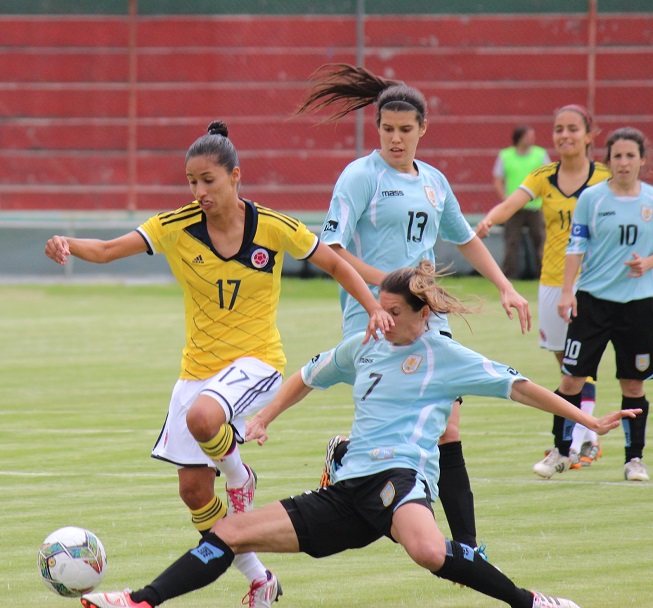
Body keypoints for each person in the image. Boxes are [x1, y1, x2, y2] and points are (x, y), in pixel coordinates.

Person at [79, 262, 642, 608]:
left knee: (426, 550)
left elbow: (518, 387)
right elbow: (305, 375)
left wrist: (586, 419)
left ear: (423, 314)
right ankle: (140, 600)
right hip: (346, 489)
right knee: (229, 531)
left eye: (393, 310)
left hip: (400, 477)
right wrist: (264, 418)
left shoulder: (444, 355)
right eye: (380, 309)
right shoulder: (366, 345)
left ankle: (528, 601)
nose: (383, 318)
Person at [45, 120, 393, 607]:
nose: (199, 191)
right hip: (198, 371)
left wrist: (375, 305)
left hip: (257, 361)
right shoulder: (176, 226)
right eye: (191, 181)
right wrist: (69, 243)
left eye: (208, 180)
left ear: (235, 176)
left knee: (204, 418)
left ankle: (239, 475)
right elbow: (106, 250)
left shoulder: (273, 226)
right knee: (192, 491)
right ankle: (259, 578)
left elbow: (335, 263)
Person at [293, 63, 531, 550]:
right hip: (374, 313)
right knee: (397, 422)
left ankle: (465, 543)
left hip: (427, 315)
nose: (395, 139)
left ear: (423, 129)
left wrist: (506, 286)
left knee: (448, 424)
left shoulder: (434, 182)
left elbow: (464, 239)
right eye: (386, 129)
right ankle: (353, 455)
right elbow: (332, 249)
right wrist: (391, 285)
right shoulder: (359, 176)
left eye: (405, 130)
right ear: (376, 128)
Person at [477, 105, 609, 475]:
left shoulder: (604, 178)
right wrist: (489, 220)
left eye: (572, 129)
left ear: (589, 134)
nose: (564, 135)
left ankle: (580, 434)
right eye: (558, 129)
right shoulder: (543, 176)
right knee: (565, 360)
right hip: (552, 281)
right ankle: (589, 433)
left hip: (592, 281)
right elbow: (511, 204)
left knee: (577, 363)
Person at [552, 127, 653, 482]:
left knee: (633, 385)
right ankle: (561, 452)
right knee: (571, 377)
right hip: (592, 302)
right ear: (608, 161)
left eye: (630, 156)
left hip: (636, 306)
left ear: (642, 161)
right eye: (617, 156)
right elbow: (575, 246)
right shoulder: (592, 199)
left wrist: (648, 263)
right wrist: (566, 291)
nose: (623, 163)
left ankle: (633, 460)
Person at [492, 125, 550, 279]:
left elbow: (549, 177)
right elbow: (498, 179)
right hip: (513, 207)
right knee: (511, 242)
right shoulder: (506, 155)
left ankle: (544, 274)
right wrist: (505, 198)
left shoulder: (540, 154)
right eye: (528, 135)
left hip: (535, 206)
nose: (532, 138)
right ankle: (509, 275)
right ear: (519, 137)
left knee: (540, 241)